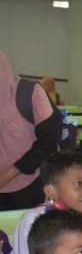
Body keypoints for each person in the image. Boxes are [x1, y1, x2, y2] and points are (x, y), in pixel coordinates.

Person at [0, 54, 61, 211]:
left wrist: (6, 175)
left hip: (32, 184)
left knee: (30, 225)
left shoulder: (29, 92)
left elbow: (47, 143)